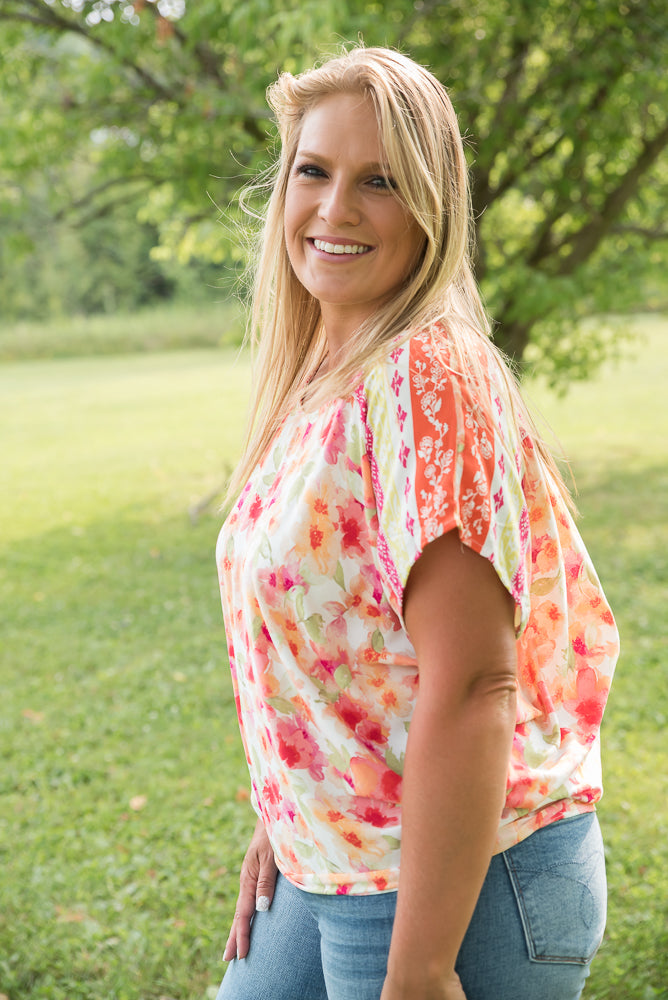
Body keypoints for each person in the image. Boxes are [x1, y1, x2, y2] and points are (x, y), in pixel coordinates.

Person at [214, 45, 619, 1000]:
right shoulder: (325, 372)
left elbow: (476, 680)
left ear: (432, 207)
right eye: (314, 170)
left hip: (452, 885)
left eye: (381, 181)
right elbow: (348, 634)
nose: (335, 208)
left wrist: (423, 969)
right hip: (333, 856)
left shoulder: (429, 377)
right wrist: (289, 803)